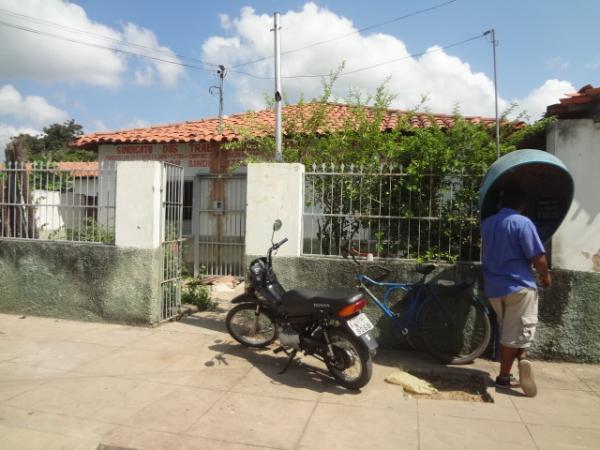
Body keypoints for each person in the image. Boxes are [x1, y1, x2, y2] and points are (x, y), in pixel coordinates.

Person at [481, 187, 552, 397]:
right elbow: (538, 256)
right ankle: (504, 376)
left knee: (509, 329)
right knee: (517, 332)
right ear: (522, 205)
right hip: (519, 286)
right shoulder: (523, 223)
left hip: (494, 287)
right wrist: (546, 277)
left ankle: (522, 357)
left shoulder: (488, 223)